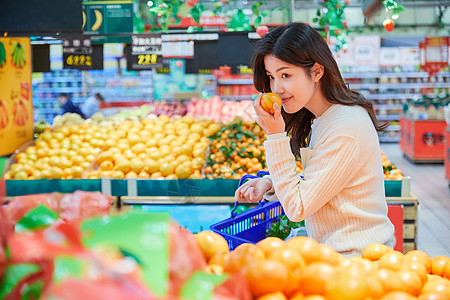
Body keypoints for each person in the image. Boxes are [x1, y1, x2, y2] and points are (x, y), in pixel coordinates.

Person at [235, 22, 395, 257]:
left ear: (317, 72)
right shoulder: (322, 118)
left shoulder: (346, 126)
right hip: (336, 257)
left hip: (358, 263)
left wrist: (276, 136)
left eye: (286, 75)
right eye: (271, 77)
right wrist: (270, 183)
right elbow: (321, 182)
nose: (276, 88)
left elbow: (298, 208)